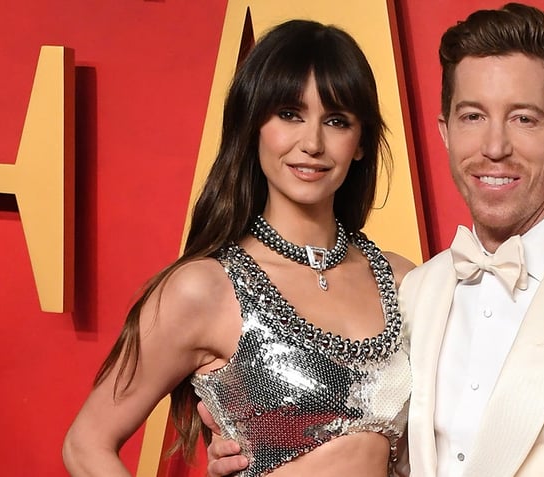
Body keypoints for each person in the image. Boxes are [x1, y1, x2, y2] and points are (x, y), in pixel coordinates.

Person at [206, 3, 544, 476]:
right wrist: (262, 446)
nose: (495, 146)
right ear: (444, 131)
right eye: (473, 117)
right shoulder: (416, 290)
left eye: (524, 119)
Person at [62, 19, 414, 477]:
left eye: (336, 120)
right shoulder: (203, 289)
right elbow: (85, 444)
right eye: (289, 114)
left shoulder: (406, 282)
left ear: (361, 141)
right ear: (253, 126)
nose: (311, 143)